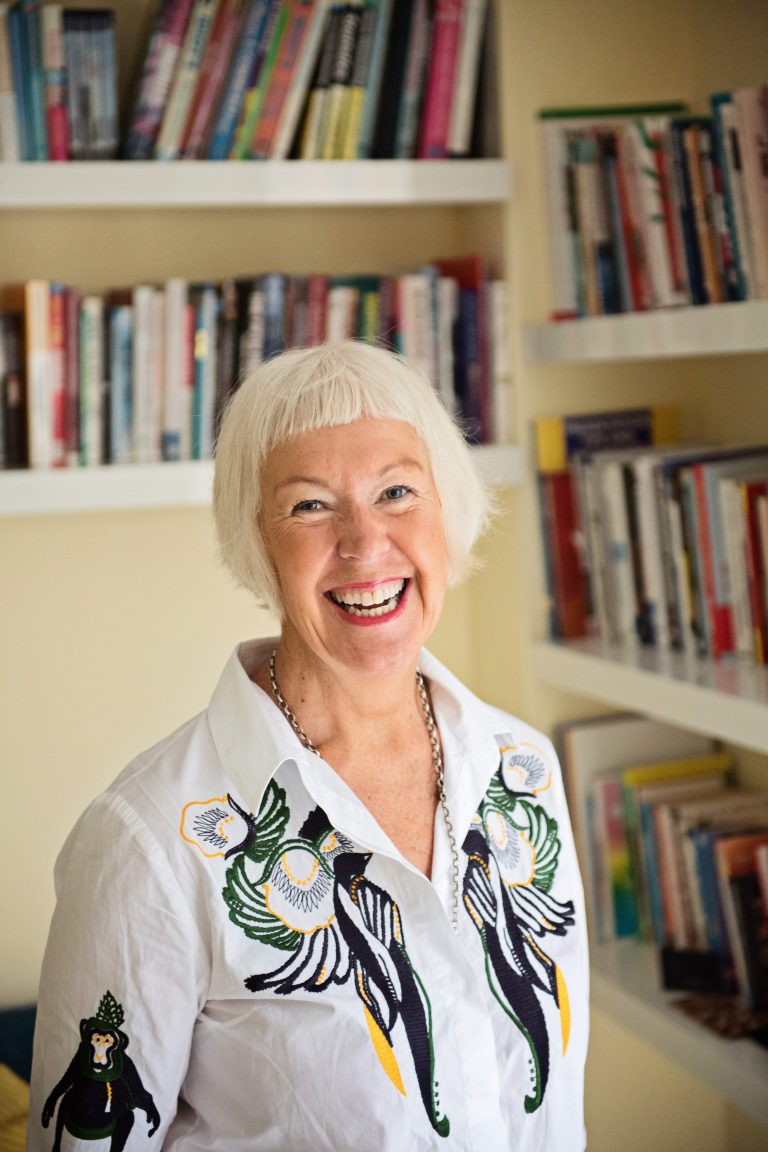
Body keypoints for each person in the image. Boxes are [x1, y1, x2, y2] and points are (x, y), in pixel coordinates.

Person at [28, 340, 589, 1152]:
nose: (365, 544)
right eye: (310, 506)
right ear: (257, 540)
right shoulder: (146, 839)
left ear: (447, 509)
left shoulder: (523, 768)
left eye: (397, 491)